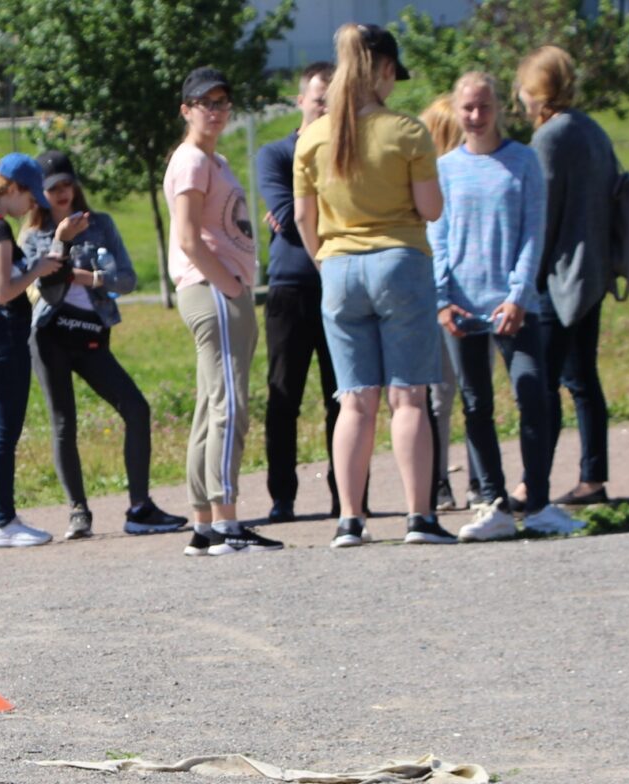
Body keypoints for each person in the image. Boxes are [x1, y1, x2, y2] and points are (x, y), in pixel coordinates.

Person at [293, 24, 454, 548]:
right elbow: (431, 209)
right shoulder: (407, 131)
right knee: (408, 398)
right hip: (400, 262)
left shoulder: (313, 137)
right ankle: (419, 517)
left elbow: (302, 218)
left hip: (338, 269)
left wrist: (328, 262)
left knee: (354, 402)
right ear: (384, 69)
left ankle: (349, 520)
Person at [430, 73, 583, 541]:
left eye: (484, 107)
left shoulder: (523, 162)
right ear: (456, 112)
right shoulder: (446, 168)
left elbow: (532, 233)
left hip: (515, 306)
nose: (476, 117)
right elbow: (438, 237)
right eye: (467, 109)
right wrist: (442, 300)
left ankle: (536, 501)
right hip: (462, 305)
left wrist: (518, 295)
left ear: (498, 108)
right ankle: (492, 501)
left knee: (533, 391)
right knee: (476, 404)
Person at [19, 150, 186, 540]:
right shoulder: (33, 236)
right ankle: (79, 511)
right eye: (52, 188)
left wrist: (88, 278)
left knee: (137, 408)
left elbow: (126, 280)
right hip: (49, 337)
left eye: (66, 184)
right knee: (64, 422)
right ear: (41, 195)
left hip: (92, 335)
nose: (62, 193)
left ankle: (140, 507)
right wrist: (60, 243)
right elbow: (44, 288)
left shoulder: (101, 225)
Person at [168, 67, 282, 556]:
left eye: (221, 102)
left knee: (210, 405)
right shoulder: (192, 160)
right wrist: (230, 285)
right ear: (186, 109)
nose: (215, 111)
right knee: (229, 405)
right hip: (212, 291)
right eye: (204, 103)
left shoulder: (213, 160)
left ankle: (204, 524)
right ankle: (227, 522)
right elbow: (189, 237)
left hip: (219, 290)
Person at [520, 45, 617, 507]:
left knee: (545, 385)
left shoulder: (551, 138)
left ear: (537, 91)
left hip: (559, 280)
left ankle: (533, 483)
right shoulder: (593, 130)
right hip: (592, 271)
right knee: (582, 380)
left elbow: (543, 214)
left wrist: (525, 279)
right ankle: (592, 475)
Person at [0, 152, 78, 549]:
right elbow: (1, 290)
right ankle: (2, 521)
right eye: (30, 198)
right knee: (2, 432)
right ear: (12, 189)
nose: (32, 207)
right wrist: (38, 270)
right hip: (4, 338)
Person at [257, 61, 347, 523]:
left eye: (335, 100)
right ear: (300, 102)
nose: (327, 108)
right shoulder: (274, 154)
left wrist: (307, 214)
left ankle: (348, 496)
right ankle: (282, 497)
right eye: (318, 100)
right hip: (291, 289)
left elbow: (304, 217)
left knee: (345, 395)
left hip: (341, 285)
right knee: (283, 397)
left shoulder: (349, 153)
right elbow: (290, 218)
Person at [418, 94, 464, 514]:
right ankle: (437, 482)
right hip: (432, 297)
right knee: (441, 393)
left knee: (458, 392)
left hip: (465, 296)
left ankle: (479, 481)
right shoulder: (427, 179)